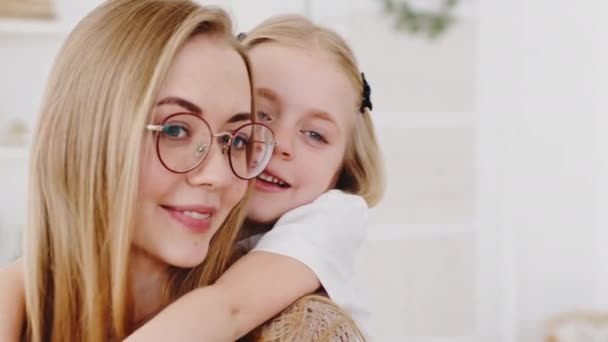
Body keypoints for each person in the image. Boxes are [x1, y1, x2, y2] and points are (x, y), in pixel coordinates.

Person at [0, 0, 276, 341]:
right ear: (86, 138)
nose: (218, 176)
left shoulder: (291, 326)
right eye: (175, 130)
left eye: (236, 141)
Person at [128, 14, 386, 342]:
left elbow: (229, 308)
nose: (277, 143)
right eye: (259, 114)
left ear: (343, 167)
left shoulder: (331, 218)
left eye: (315, 135)